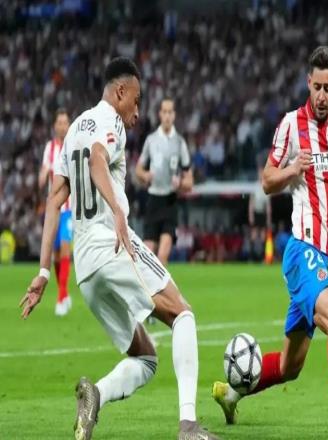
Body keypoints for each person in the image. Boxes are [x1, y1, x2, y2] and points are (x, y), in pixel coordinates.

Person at [20, 57, 218, 440]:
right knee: (183, 315)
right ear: (120, 91)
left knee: (145, 358)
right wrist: (118, 213)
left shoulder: (74, 129)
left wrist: (43, 271)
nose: (137, 112)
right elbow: (98, 159)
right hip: (111, 244)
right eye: (136, 100)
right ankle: (189, 426)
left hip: (85, 269)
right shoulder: (109, 120)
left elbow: (53, 200)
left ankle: (96, 394)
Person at [213, 46, 328, 437]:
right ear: (308, 84)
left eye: (327, 88)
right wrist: (290, 170)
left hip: (320, 256)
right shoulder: (290, 125)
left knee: (290, 366)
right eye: (316, 87)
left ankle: (230, 393)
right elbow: (266, 181)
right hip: (302, 251)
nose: (321, 96)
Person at [136, 98, 193, 266]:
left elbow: (190, 181)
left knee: (162, 256)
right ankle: (148, 284)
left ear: (174, 115)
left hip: (170, 202)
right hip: (153, 200)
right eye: (164, 112)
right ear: (160, 114)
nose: (167, 116)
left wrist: (180, 183)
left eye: (170, 112)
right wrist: (145, 175)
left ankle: (161, 284)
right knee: (147, 257)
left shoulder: (180, 142)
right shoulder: (151, 140)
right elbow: (138, 169)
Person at [38, 109, 73, 316]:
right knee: (57, 255)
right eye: (59, 122)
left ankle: (60, 298)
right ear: (55, 126)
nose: (62, 126)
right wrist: (43, 176)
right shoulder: (49, 148)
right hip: (54, 209)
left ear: (69, 125)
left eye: (65, 122)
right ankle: (65, 292)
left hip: (69, 208)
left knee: (66, 249)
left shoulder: (73, 145)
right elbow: (43, 173)